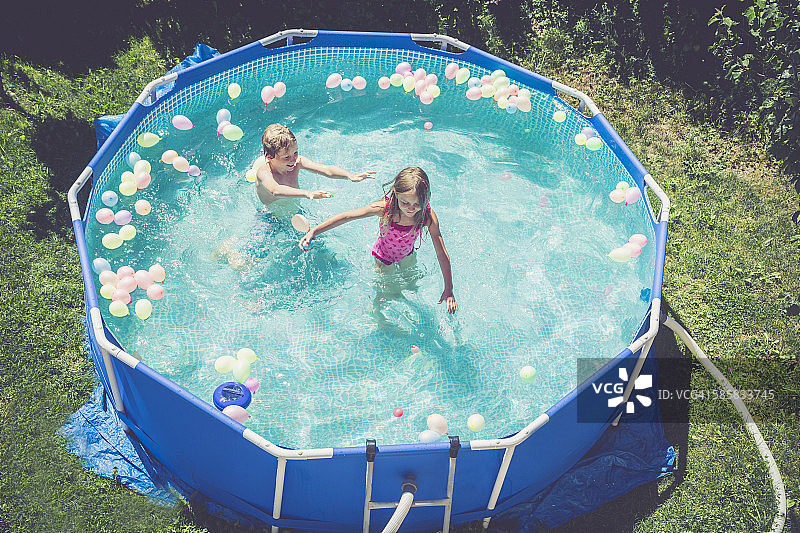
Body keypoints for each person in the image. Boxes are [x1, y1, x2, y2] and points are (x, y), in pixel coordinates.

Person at [299, 167, 458, 314]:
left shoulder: (426, 215)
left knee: (412, 286)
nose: (411, 208)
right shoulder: (384, 209)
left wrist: (448, 289)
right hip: (384, 258)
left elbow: (441, 253)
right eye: (405, 202)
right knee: (391, 292)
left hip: (407, 254)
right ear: (396, 194)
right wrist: (315, 231)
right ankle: (376, 312)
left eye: (417, 203)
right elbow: (348, 216)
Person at [256, 123, 375, 205]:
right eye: (287, 157)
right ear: (269, 157)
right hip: (270, 216)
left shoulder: (298, 163)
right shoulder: (264, 173)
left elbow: (326, 170)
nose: (293, 159)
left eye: (295, 152)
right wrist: (307, 193)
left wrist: (349, 175)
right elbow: (276, 190)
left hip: (294, 209)